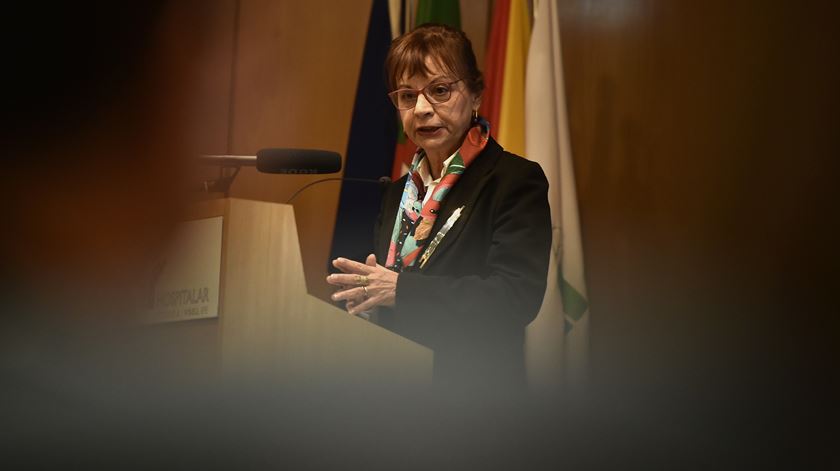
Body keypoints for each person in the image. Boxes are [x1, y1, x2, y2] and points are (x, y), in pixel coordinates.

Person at [327, 23, 551, 388]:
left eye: (440, 91)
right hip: (395, 395)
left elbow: (515, 297)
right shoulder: (397, 191)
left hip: (475, 403)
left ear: (476, 94)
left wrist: (401, 290)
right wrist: (367, 297)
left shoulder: (513, 180)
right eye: (406, 96)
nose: (422, 109)